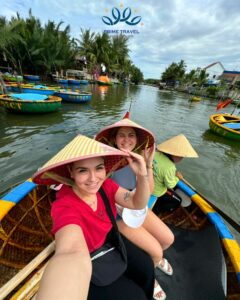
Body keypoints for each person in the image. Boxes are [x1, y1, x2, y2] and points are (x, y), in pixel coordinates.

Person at [33, 134, 155, 300]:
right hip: (90, 259)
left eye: (99, 168)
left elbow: (137, 203)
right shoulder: (64, 206)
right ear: (71, 172)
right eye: (83, 170)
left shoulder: (106, 185)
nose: (93, 179)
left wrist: (142, 174)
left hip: (111, 240)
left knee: (147, 268)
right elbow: (71, 252)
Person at [95, 115, 174, 300]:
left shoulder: (140, 159)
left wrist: (147, 166)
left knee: (168, 239)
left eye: (131, 135)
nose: (126, 140)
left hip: (136, 205)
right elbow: (100, 191)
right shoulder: (106, 162)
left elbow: (150, 190)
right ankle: (151, 275)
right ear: (114, 138)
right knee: (155, 251)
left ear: (137, 139)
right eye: (121, 135)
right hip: (118, 214)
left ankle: (155, 260)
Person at [148, 134, 198, 215]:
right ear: (175, 154)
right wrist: (177, 178)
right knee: (178, 200)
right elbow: (170, 185)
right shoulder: (170, 167)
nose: (182, 158)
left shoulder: (155, 154)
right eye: (181, 156)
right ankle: (156, 212)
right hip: (155, 192)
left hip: (146, 186)